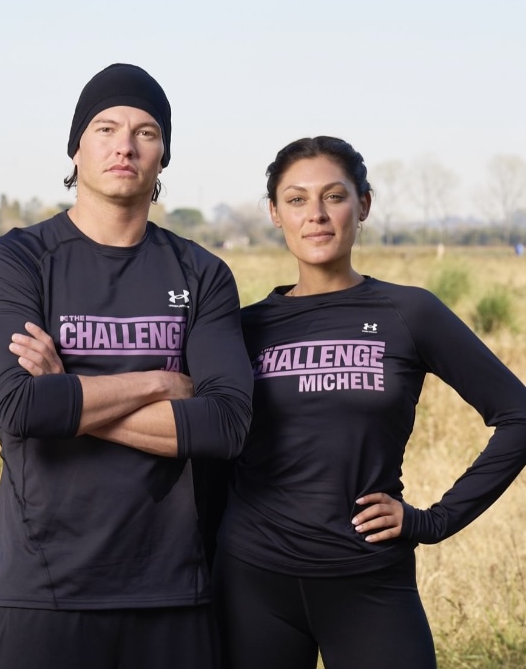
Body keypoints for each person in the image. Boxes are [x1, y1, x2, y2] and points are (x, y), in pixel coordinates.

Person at [0, 63, 254, 669]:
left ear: (163, 157)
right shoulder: (19, 260)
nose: (124, 145)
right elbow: (21, 408)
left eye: (146, 132)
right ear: (76, 147)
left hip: (175, 590)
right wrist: (159, 382)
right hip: (44, 592)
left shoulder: (202, 274)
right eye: (105, 128)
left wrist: (67, 394)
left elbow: (225, 426)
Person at [211, 136, 526, 669]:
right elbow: (194, 428)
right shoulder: (243, 327)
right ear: (274, 213)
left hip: (369, 582)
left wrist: (434, 521)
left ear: (363, 205)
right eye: (296, 199)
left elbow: (518, 415)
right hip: (251, 581)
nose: (316, 215)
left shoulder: (410, 312)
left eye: (334, 196)